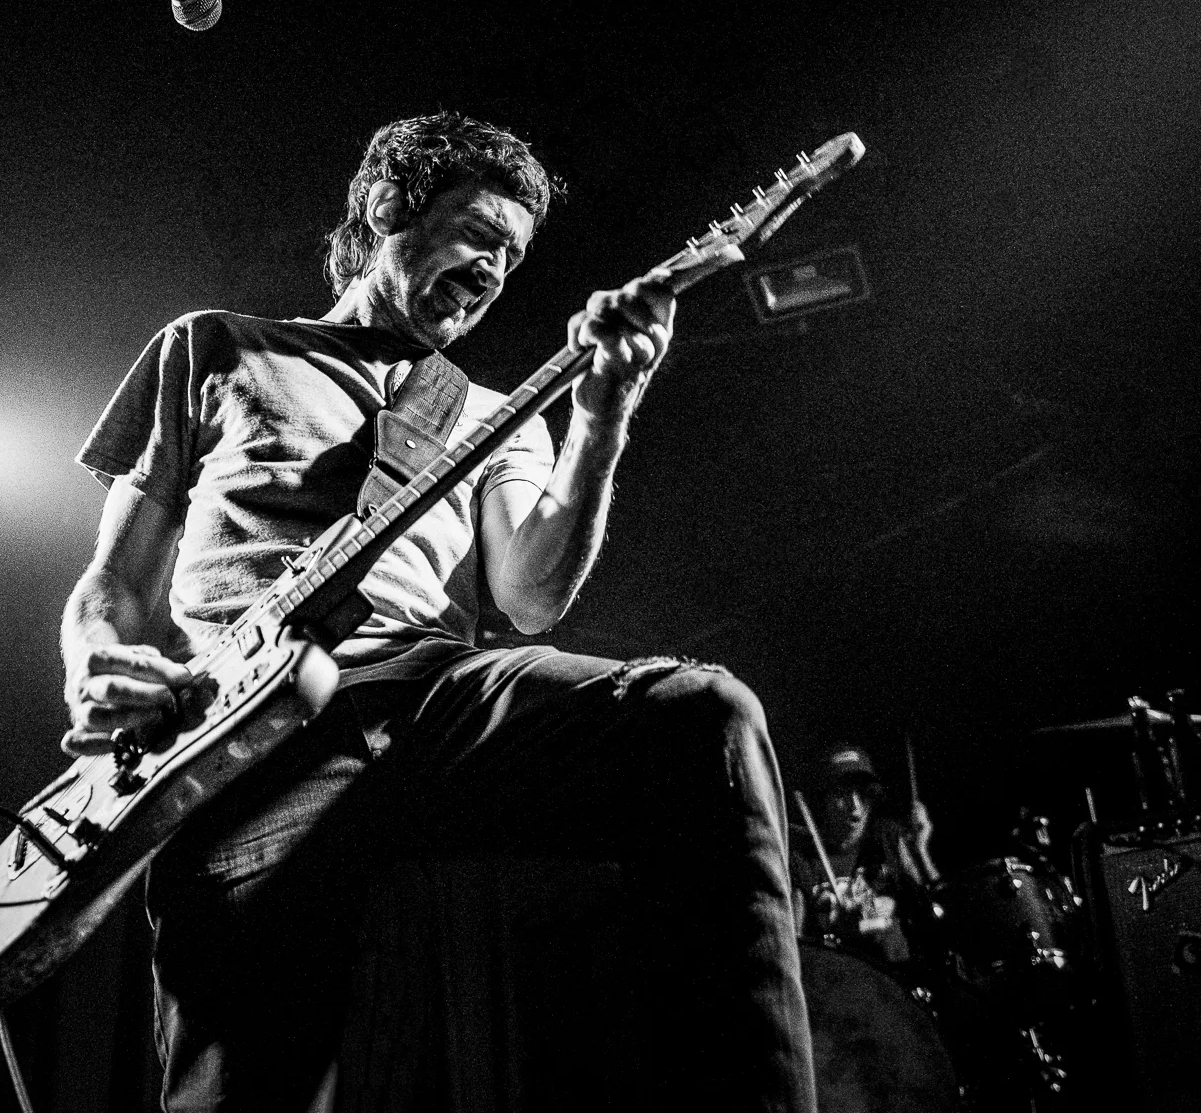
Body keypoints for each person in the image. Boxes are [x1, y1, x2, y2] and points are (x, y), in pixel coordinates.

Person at [59, 112, 818, 1112]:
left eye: (513, 257)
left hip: (424, 695)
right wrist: (94, 657)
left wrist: (603, 414)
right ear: (387, 208)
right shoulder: (215, 346)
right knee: (238, 1079)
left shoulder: (497, 414)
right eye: (480, 235)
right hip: (236, 732)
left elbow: (532, 596)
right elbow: (113, 580)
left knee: (700, 716)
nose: (494, 270)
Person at [789, 744, 938, 967]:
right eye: (842, 793)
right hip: (839, 978)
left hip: (898, 977)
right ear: (824, 800)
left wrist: (922, 852)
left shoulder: (888, 839)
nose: (855, 805)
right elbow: (795, 946)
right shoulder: (802, 860)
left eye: (863, 793)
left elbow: (936, 907)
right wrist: (840, 928)